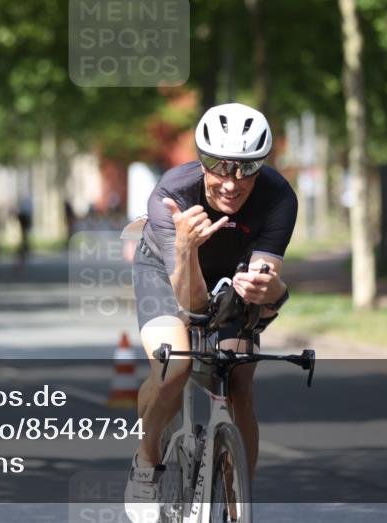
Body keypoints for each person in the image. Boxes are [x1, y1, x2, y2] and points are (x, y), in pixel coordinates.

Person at [125, 103, 298, 519]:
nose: (232, 182)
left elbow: (266, 292)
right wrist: (185, 248)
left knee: (239, 376)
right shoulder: (172, 195)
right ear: (201, 161)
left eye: (247, 168)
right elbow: (191, 304)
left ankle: (240, 502)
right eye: (219, 166)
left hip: (231, 273)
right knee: (175, 366)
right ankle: (146, 465)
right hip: (167, 270)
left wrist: (272, 290)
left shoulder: (279, 198)